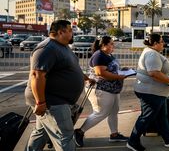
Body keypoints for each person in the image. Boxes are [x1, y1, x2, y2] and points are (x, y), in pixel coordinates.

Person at [25, 20, 89, 150]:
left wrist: (84, 77)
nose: (72, 33)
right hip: (52, 102)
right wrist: (40, 103)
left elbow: (69, 66)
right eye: (70, 30)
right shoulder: (47, 48)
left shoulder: (62, 46)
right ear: (61, 32)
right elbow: (37, 76)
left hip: (55, 100)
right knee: (64, 136)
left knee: (41, 133)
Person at [127, 34, 169, 151]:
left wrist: (168, 72)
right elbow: (153, 72)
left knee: (161, 116)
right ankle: (133, 141)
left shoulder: (150, 52)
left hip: (156, 92)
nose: (163, 44)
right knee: (146, 117)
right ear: (155, 43)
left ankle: (168, 138)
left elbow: (156, 70)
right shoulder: (152, 54)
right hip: (151, 92)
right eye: (162, 42)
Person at [74, 36, 129, 147]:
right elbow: (100, 73)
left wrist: (123, 71)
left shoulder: (107, 55)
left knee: (114, 111)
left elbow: (111, 69)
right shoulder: (99, 55)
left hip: (112, 90)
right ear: (104, 45)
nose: (113, 46)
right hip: (101, 89)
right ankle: (79, 132)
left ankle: (114, 134)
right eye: (111, 44)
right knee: (101, 113)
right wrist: (119, 77)